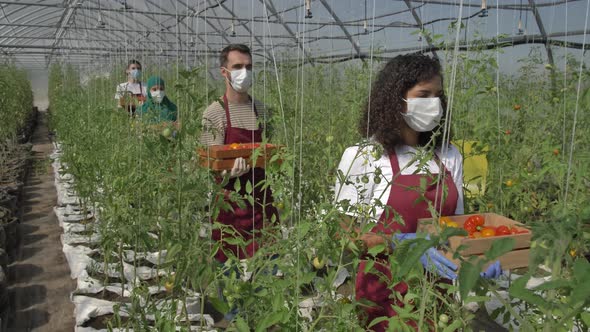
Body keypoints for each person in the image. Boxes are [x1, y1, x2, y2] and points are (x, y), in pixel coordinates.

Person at [334, 53, 501, 331]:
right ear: (395, 99)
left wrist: (479, 255)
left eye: (438, 95)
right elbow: (345, 237)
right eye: (423, 94)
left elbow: (456, 227)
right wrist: (400, 244)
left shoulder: (448, 155)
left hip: (437, 290)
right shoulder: (365, 156)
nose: (433, 104)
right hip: (384, 292)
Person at [200, 44, 278, 264]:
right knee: (228, 269)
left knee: (267, 264)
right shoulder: (214, 112)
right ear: (224, 72)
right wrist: (228, 175)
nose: (245, 72)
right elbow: (208, 166)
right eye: (238, 66)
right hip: (230, 204)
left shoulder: (262, 110)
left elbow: (268, 152)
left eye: (249, 66)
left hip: (262, 201)